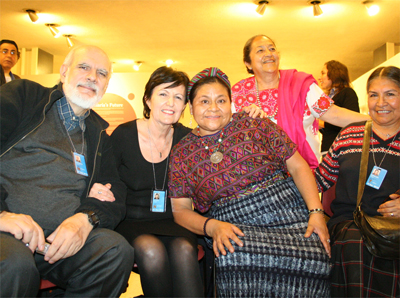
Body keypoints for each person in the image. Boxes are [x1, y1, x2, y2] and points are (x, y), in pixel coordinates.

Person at [169, 67, 332, 297]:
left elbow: (297, 165)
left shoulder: (255, 123)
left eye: (221, 100)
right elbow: (180, 210)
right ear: (191, 107)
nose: (213, 108)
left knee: (315, 256)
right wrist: (212, 227)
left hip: (288, 215)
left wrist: (316, 212)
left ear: (231, 103)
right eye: (204, 101)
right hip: (234, 226)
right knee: (233, 255)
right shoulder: (182, 153)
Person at [0, 45, 134, 297]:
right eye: (84, 67)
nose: (92, 76)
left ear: (106, 86)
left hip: (60, 242)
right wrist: (3, 216)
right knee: (14, 263)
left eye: (102, 73)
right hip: (7, 234)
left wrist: (86, 219)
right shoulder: (24, 97)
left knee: (114, 250)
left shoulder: (98, 134)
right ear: (63, 72)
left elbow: (116, 192)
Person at [107, 66, 203, 297]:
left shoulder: (188, 138)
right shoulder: (124, 134)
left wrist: (247, 115)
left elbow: (221, 139)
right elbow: (107, 179)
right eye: (163, 94)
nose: (171, 102)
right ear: (148, 99)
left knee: (183, 249)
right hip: (131, 220)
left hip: (174, 220)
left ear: (184, 106)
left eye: (178, 97)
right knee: (151, 250)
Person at [315, 66, 400, 297]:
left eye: (390, 94)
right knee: (355, 243)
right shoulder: (350, 134)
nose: (381, 102)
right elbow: (319, 181)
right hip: (349, 226)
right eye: (373, 95)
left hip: (393, 232)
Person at [232, 35, 370, 169]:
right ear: (248, 63)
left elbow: (334, 114)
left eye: (272, 49)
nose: (268, 53)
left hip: (303, 175)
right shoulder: (238, 94)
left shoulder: (302, 85)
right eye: (260, 50)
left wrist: (376, 121)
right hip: (259, 179)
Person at [318, 60, 360, 154]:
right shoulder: (328, 99)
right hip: (328, 149)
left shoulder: (347, 93)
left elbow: (352, 123)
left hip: (342, 150)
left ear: (334, 74)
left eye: (323, 73)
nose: (319, 78)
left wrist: (323, 124)